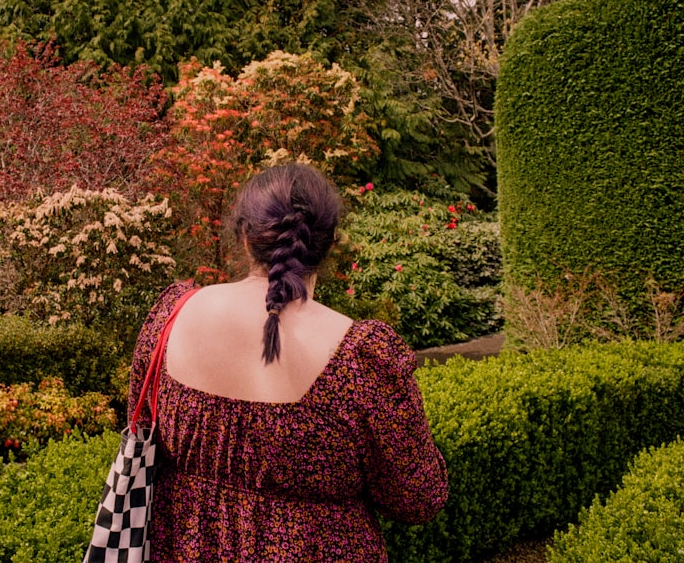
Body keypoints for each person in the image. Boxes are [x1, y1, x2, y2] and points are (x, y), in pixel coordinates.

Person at [128, 163, 448, 562]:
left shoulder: (172, 318)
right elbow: (418, 498)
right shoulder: (360, 359)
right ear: (329, 243)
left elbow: (140, 429)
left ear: (245, 238)